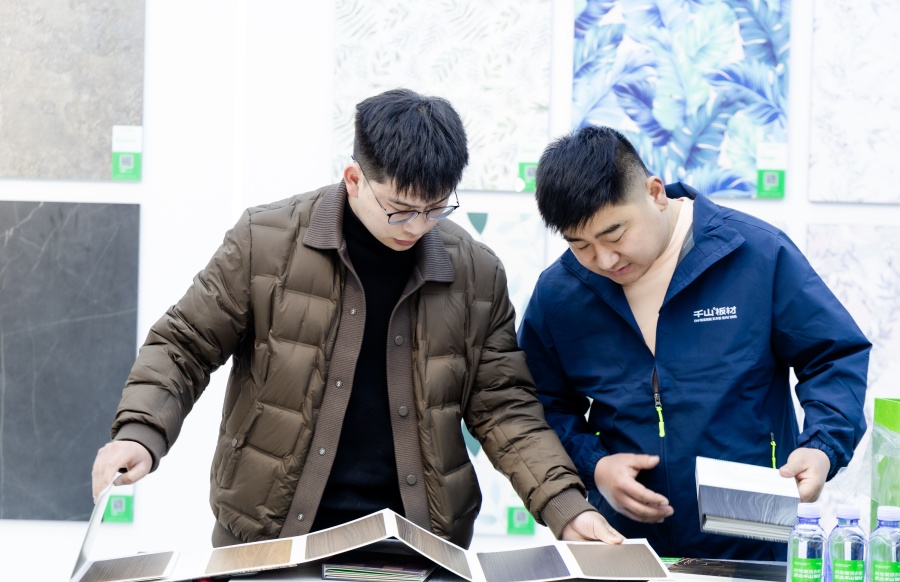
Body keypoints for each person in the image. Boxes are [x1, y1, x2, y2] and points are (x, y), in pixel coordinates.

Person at [91, 89, 622, 549]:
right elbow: (185, 344)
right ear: (353, 178)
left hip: (417, 545)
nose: (416, 227)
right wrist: (140, 432)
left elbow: (504, 407)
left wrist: (564, 506)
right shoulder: (265, 242)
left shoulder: (476, 273)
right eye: (400, 209)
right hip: (269, 540)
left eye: (435, 209)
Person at [517, 125, 870, 561]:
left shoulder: (755, 254)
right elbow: (537, 402)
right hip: (627, 548)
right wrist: (595, 465)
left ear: (655, 193)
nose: (604, 260)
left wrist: (820, 447)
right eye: (580, 245)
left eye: (615, 235)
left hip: (755, 544)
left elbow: (834, 354)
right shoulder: (559, 294)